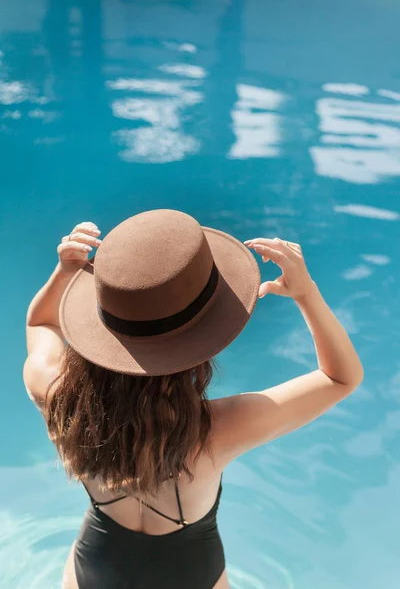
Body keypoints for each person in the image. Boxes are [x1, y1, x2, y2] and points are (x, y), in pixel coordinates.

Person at [24, 209, 363, 589]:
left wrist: (64, 272)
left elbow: (42, 324)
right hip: (193, 576)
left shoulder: (57, 398)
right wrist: (307, 293)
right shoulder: (217, 431)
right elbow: (341, 377)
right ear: (195, 347)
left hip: (96, 568)